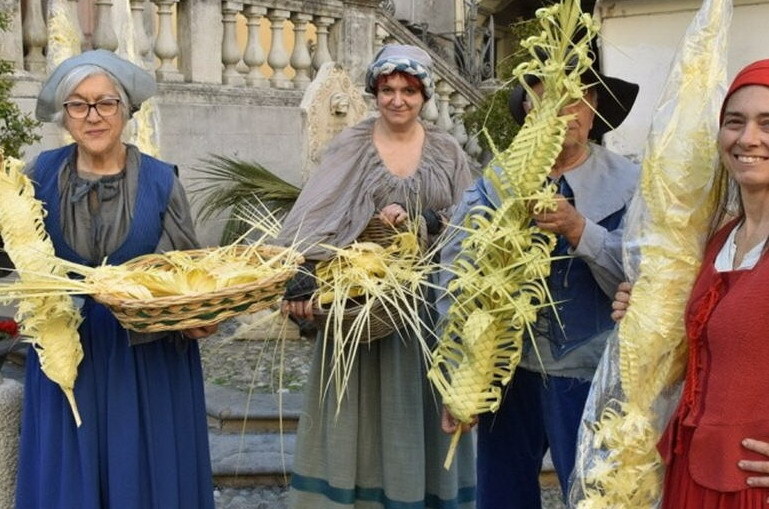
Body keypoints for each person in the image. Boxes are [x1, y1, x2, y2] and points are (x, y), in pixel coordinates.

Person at [276, 44, 476, 509]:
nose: (398, 100)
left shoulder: (447, 151)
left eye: (409, 90)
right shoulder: (352, 146)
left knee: (420, 407)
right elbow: (315, 212)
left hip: (426, 311)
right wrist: (302, 272)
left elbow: (473, 220)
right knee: (356, 413)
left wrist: (426, 220)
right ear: (375, 92)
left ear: (424, 95)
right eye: (388, 89)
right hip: (359, 308)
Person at [15, 50, 216, 509]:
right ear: (65, 116)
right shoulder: (39, 175)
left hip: (145, 359)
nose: (93, 116)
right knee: (70, 480)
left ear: (126, 110)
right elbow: (17, 252)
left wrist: (199, 315)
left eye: (105, 103)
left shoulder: (162, 182)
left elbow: (188, 274)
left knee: (141, 477)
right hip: (67, 356)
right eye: (78, 104)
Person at [439, 61, 640, 508]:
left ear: (594, 110)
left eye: (575, 98)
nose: (563, 111)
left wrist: (579, 230)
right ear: (529, 110)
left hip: (590, 372)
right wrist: (458, 377)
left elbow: (643, 282)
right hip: (506, 376)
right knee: (502, 496)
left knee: (594, 496)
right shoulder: (496, 184)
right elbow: (454, 278)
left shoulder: (629, 186)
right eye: (547, 98)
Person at [612, 59, 769, 508]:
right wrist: (646, 314)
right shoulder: (720, 240)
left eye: (767, 123)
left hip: (752, 489)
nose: (748, 138)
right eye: (734, 122)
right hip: (690, 473)